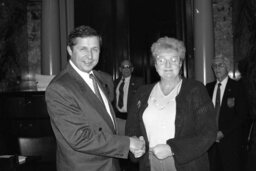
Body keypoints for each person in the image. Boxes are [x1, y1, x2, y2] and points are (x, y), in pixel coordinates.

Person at [45, 25, 145, 171]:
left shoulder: (99, 77)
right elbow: (80, 138)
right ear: (69, 50)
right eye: (83, 49)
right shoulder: (60, 88)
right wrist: (128, 143)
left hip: (109, 164)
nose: (90, 56)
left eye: (95, 49)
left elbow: (106, 120)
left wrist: (141, 129)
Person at [125, 37, 217, 171]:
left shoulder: (195, 90)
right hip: (149, 162)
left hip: (187, 164)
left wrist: (173, 149)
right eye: (162, 60)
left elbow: (208, 132)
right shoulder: (142, 92)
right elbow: (132, 127)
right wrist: (135, 144)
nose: (167, 65)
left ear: (180, 64)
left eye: (173, 60)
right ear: (155, 65)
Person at [206, 54, 249, 171]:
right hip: (210, 143)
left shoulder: (238, 87)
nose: (217, 68)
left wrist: (222, 132)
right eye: (214, 66)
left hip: (231, 142)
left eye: (220, 65)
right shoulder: (208, 88)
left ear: (228, 67)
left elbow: (242, 115)